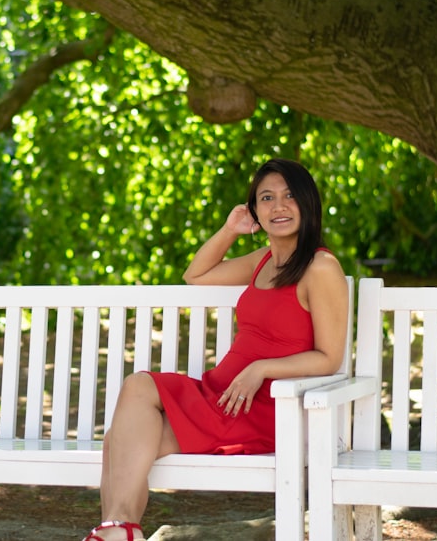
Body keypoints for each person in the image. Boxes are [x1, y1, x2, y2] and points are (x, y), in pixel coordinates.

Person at [80, 158, 349, 541]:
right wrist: (229, 229)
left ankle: (115, 530)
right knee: (131, 414)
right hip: (220, 395)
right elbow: (197, 275)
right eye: (266, 198)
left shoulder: (320, 268)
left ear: (308, 202)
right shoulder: (263, 260)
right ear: (255, 210)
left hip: (267, 407)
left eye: (290, 196)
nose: (279, 206)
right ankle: (121, 530)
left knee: (122, 438)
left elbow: (329, 358)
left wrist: (261, 370)